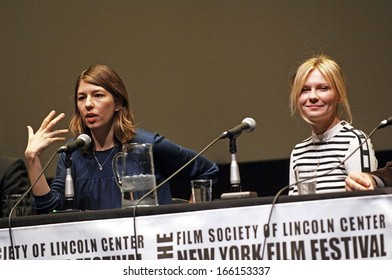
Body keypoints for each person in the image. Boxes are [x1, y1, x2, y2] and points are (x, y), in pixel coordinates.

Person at [24, 64, 219, 214]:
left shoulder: (146, 145)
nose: (89, 104)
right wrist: (33, 160)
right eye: (81, 98)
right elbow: (50, 211)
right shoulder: (72, 154)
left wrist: (186, 220)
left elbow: (207, 171)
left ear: (118, 103)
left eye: (98, 95)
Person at [288, 54, 378, 195]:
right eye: (305, 90)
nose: (312, 96)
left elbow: (364, 206)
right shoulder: (298, 152)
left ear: (339, 95)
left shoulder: (355, 142)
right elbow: (293, 209)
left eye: (323, 88)